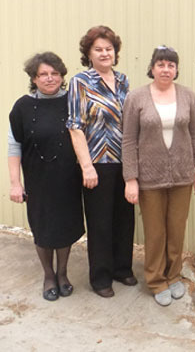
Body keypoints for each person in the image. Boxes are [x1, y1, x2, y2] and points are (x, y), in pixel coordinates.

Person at [122, 46, 195, 306]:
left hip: (182, 175)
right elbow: (128, 140)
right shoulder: (136, 98)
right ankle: (156, 280)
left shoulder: (188, 96)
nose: (166, 69)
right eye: (161, 64)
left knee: (176, 230)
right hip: (148, 177)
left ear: (176, 69)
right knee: (155, 232)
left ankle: (174, 276)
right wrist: (131, 178)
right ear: (152, 68)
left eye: (171, 64)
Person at [8, 52, 84, 301]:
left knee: (65, 227)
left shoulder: (72, 101)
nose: (50, 78)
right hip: (38, 181)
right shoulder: (22, 106)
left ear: (62, 76)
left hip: (68, 179)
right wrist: (15, 183)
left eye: (54, 73)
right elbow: (14, 147)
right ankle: (48, 275)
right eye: (43, 74)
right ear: (34, 77)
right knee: (43, 229)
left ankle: (63, 274)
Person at [67, 25, 136, 298]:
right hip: (97, 162)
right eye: (98, 49)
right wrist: (86, 166)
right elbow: (75, 126)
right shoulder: (80, 82)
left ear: (115, 53)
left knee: (124, 218)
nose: (105, 53)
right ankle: (101, 277)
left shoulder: (123, 81)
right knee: (100, 222)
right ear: (89, 53)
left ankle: (122, 268)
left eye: (109, 49)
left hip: (124, 159)